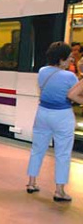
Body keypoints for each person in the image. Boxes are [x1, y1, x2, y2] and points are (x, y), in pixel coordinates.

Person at [26, 41, 83, 203]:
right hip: (62, 115)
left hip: (42, 113)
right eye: (69, 58)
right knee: (63, 153)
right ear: (62, 59)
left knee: (37, 149)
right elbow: (75, 94)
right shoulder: (69, 76)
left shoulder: (43, 71)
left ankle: (31, 182)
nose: (71, 61)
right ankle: (59, 190)